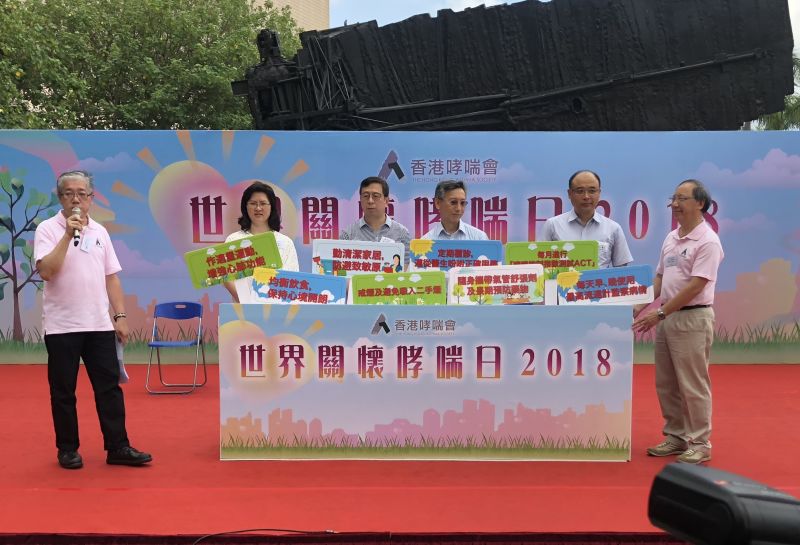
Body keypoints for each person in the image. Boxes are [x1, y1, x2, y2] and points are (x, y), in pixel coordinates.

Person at [34, 170, 152, 469]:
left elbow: (111, 277)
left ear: (91, 198)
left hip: (99, 324)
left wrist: (120, 316)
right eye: (69, 193)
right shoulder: (47, 229)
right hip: (62, 326)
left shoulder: (100, 231)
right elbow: (47, 271)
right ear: (60, 197)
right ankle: (68, 449)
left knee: (109, 388)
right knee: (63, 391)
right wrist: (67, 235)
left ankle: (118, 446)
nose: (76, 199)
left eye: (82, 193)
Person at [632, 179, 723, 465]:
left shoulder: (708, 241)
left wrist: (660, 313)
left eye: (682, 199)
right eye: (673, 198)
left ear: (700, 203)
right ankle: (676, 436)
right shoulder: (672, 237)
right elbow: (660, 277)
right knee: (667, 383)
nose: (674, 204)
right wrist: (640, 306)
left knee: (693, 384)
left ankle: (700, 443)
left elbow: (696, 285)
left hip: (692, 317)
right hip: (668, 317)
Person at [224, 181, 299, 303]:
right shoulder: (233, 240)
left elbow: (292, 280)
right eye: (253, 203)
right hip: (242, 309)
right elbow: (226, 277)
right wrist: (248, 302)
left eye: (263, 203)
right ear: (245, 206)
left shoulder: (285, 242)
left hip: (277, 310)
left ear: (271, 206)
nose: (258, 208)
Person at [540, 170, 633, 268]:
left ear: (599, 193)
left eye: (592, 191)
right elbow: (539, 263)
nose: (586, 196)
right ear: (569, 194)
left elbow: (622, 269)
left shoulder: (613, 228)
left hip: (598, 279)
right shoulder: (552, 225)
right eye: (580, 191)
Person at [339, 176, 411, 257]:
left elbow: (406, 263)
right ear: (360, 200)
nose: (370, 201)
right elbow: (340, 264)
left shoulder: (402, 233)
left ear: (386, 201)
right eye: (365, 196)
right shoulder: (348, 234)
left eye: (376, 196)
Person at [421, 180, 488, 240]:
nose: (458, 208)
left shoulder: (479, 238)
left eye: (462, 203)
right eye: (453, 202)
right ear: (438, 203)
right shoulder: (425, 241)